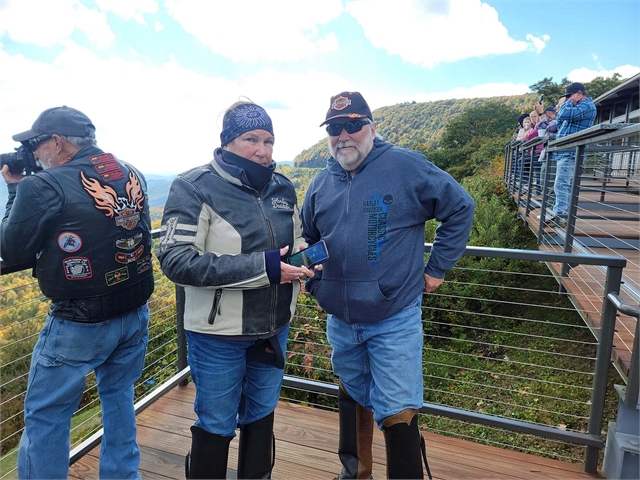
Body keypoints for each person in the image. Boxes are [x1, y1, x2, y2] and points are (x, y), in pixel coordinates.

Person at [301, 91, 475, 479]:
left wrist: (437, 269)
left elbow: (460, 207)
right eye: (334, 128)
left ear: (372, 128)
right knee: (351, 396)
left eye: (353, 125)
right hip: (341, 321)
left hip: (393, 317)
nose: (343, 135)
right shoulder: (319, 184)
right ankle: (355, 475)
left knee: (398, 409)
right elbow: (309, 240)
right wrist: (315, 286)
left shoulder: (405, 166)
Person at [157, 100, 314, 479]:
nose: (263, 151)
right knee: (216, 422)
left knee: (261, 415)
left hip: (274, 327)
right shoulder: (193, 187)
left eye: (269, 141)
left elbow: (295, 240)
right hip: (217, 335)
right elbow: (176, 261)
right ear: (227, 141)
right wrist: (264, 268)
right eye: (251, 139)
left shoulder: (282, 187)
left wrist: (307, 258)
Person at [0, 106, 154, 479]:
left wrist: (15, 188)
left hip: (79, 322)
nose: (34, 153)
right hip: (134, 311)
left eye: (35, 144)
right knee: (118, 396)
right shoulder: (129, 170)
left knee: (47, 415)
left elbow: (11, 249)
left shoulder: (41, 185)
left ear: (57, 141)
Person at [550, 82, 596, 225]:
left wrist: (567, 104)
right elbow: (559, 123)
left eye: (569, 96)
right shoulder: (575, 107)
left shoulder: (587, 106)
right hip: (565, 152)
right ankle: (563, 215)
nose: (567, 99)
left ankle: (560, 215)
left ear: (578, 93)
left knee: (561, 184)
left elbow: (564, 114)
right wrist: (567, 106)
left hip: (571, 152)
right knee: (565, 185)